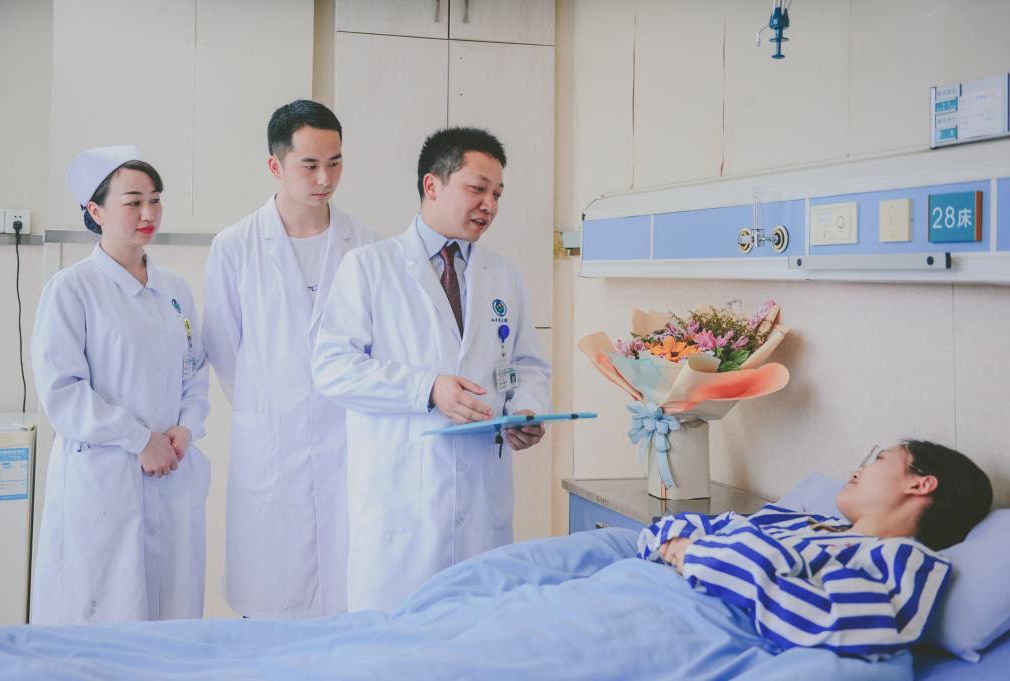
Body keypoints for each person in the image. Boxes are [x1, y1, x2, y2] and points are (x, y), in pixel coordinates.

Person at [312, 126, 553, 612]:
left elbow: (526, 364)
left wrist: (527, 409)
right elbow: (333, 367)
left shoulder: (503, 273)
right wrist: (427, 389)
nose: (489, 205)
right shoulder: (370, 266)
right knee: (398, 641)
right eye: (477, 188)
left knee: (477, 636)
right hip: (402, 505)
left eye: (498, 194)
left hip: (481, 504)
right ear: (432, 185)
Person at [203, 100, 378, 618]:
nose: (325, 179)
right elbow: (224, 347)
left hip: (346, 440)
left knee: (347, 598)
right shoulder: (235, 246)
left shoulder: (365, 247)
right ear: (275, 165)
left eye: (335, 163)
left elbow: (375, 348)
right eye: (310, 165)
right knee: (268, 599)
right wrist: (271, 401)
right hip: (270, 441)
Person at [31, 146, 210, 624]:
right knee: (102, 619)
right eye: (133, 202)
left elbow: (195, 370)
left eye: (155, 200)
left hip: (171, 475)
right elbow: (63, 392)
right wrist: (139, 439)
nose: (148, 214)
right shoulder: (72, 289)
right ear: (96, 211)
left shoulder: (175, 290)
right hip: (104, 481)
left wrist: (186, 428)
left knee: (171, 618)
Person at [639, 440, 993, 657]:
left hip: (675, 630)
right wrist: (683, 546)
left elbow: (837, 622)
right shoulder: (798, 520)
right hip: (641, 596)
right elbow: (681, 526)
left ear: (921, 483)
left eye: (879, 459)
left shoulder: (900, 560)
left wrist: (698, 556)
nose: (857, 470)